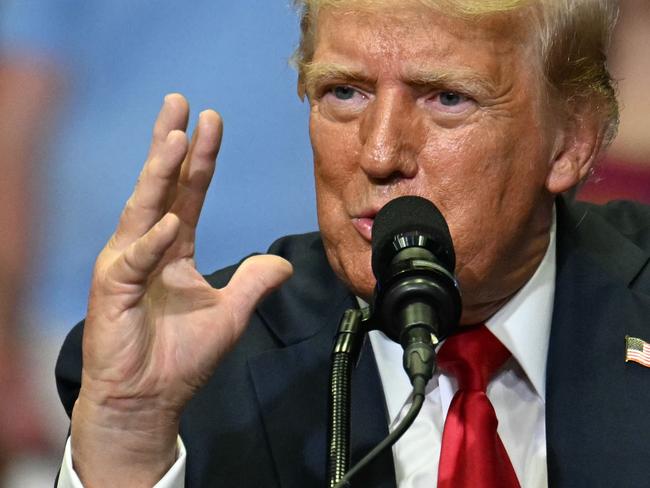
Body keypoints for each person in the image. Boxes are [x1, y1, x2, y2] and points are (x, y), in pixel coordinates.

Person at [55, 0, 650, 487]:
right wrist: (129, 435)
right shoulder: (201, 377)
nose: (380, 153)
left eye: (447, 98)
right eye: (345, 92)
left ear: (572, 140)